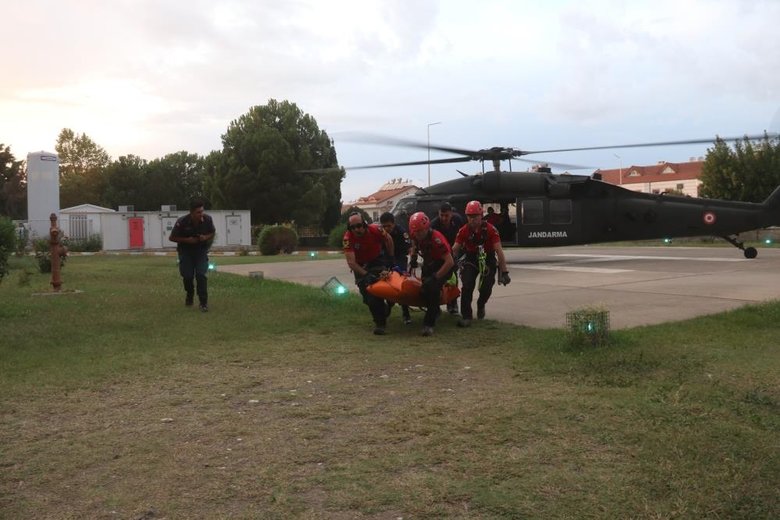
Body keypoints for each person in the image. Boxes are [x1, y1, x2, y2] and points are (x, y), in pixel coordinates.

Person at [451, 200, 511, 327]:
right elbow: (455, 249)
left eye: (475, 216)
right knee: (467, 285)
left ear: (481, 215)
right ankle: (466, 316)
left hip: (487, 258)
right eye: (470, 217)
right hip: (471, 258)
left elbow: (499, 251)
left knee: (487, 286)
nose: (473, 220)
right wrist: (448, 264)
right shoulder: (463, 231)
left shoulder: (491, 230)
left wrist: (504, 272)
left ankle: (481, 304)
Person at [343, 212, 394, 335]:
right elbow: (351, 262)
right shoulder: (347, 239)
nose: (357, 229)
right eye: (353, 227)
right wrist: (365, 274)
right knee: (366, 295)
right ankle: (384, 310)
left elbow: (389, 240)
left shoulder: (376, 229)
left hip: (376, 260)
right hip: (360, 265)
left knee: (375, 292)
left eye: (359, 226)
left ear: (364, 224)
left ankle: (380, 324)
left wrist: (390, 259)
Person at [408, 212, 455, 336]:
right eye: (416, 232)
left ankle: (429, 324)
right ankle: (435, 310)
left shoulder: (436, 239)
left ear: (427, 228)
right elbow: (414, 242)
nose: (418, 235)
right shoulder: (416, 234)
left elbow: (449, 262)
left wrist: (436, 277)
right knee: (423, 290)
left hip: (443, 265)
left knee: (432, 289)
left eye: (420, 232)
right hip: (430, 263)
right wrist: (413, 256)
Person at [168, 198, 216, 312]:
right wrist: (187, 240)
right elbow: (172, 237)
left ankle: (203, 302)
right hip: (186, 252)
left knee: (201, 275)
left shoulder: (208, 220)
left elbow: (212, 232)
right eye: (198, 212)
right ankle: (190, 294)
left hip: (200, 251)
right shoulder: (182, 222)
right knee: (187, 276)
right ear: (191, 213)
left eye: (202, 211)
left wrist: (205, 237)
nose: (201, 214)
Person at [430, 202, 464, 315]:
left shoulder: (458, 220)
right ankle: (436, 304)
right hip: (439, 254)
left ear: (451, 214)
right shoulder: (434, 225)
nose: (444, 218)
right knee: (437, 279)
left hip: (454, 252)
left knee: (453, 278)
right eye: (441, 215)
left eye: (447, 215)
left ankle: (452, 303)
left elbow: (463, 234)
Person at [379, 211, 412, 325]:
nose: (387, 228)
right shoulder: (380, 234)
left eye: (389, 225)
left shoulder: (401, 232)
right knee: (387, 285)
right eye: (384, 226)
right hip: (386, 260)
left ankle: (405, 312)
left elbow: (409, 248)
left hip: (400, 259)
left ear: (393, 224)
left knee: (401, 286)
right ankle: (388, 306)